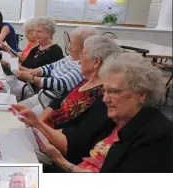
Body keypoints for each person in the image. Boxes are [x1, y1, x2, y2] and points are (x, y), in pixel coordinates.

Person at [10, 53, 173, 173]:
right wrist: (38, 124)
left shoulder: (157, 136)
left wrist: (61, 162)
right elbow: (77, 144)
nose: (105, 99)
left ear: (141, 95)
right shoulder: (118, 120)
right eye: (105, 91)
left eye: (114, 92)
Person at [41, 35, 122, 129]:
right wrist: (39, 121)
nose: (79, 61)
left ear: (96, 62)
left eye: (83, 54)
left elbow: (76, 134)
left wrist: (39, 127)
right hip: (45, 128)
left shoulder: (102, 95)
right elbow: (57, 102)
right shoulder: (86, 80)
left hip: (52, 138)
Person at [17, 25, 99, 114]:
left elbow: (62, 84)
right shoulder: (70, 57)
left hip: (49, 103)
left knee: (18, 116)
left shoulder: (83, 66)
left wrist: (32, 78)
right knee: (14, 110)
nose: (69, 47)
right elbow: (52, 66)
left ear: (84, 48)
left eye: (72, 44)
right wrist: (35, 71)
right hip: (42, 95)